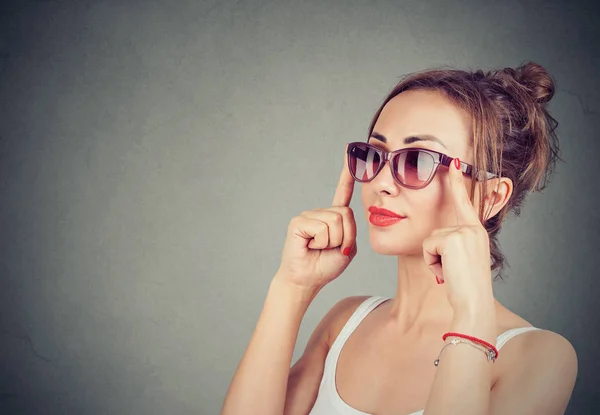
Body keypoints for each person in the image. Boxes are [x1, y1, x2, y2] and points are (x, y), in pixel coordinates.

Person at [220, 62, 578, 415]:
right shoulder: (344, 322)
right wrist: (292, 287)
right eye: (374, 155)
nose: (381, 183)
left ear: (490, 197)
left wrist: (471, 318)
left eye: (417, 160)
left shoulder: (539, 357)